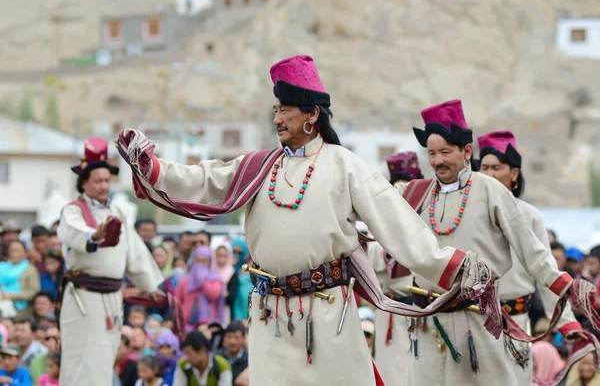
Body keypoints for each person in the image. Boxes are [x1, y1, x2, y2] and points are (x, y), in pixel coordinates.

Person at [118, 55, 501, 386]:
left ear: (312, 115)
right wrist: (152, 166)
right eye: (276, 109)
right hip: (268, 317)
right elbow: (203, 180)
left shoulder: (344, 165)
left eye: (286, 109)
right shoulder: (259, 167)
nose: (278, 118)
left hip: (327, 313)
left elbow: (398, 227)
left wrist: (458, 267)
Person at [400, 99, 597, 386]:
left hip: (488, 325)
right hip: (429, 325)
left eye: (445, 151)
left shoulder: (492, 193)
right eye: (431, 153)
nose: (437, 160)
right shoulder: (419, 194)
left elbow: (537, 260)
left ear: (466, 152)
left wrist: (568, 299)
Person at [56, 138, 165, 386]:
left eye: (107, 180)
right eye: (97, 181)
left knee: (104, 362)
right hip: (83, 299)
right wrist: (95, 234)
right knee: (82, 364)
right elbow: (73, 232)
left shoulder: (117, 213)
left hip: (112, 299)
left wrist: (151, 287)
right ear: (84, 182)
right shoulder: (73, 211)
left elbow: (135, 253)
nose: (103, 186)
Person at [478, 130, 583, 383]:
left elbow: (544, 271)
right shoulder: (469, 214)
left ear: (514, 174)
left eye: (497, 168)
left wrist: (567, 324)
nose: (489, 175)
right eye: (484, 168)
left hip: (515, 323)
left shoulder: (529, 216)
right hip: (472, 322)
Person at [372, 151, 424, 385]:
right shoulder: (379, 220)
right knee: (390, 372)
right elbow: (373, 256)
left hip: (424, 308)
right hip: (390, 309)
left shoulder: (427, 215)